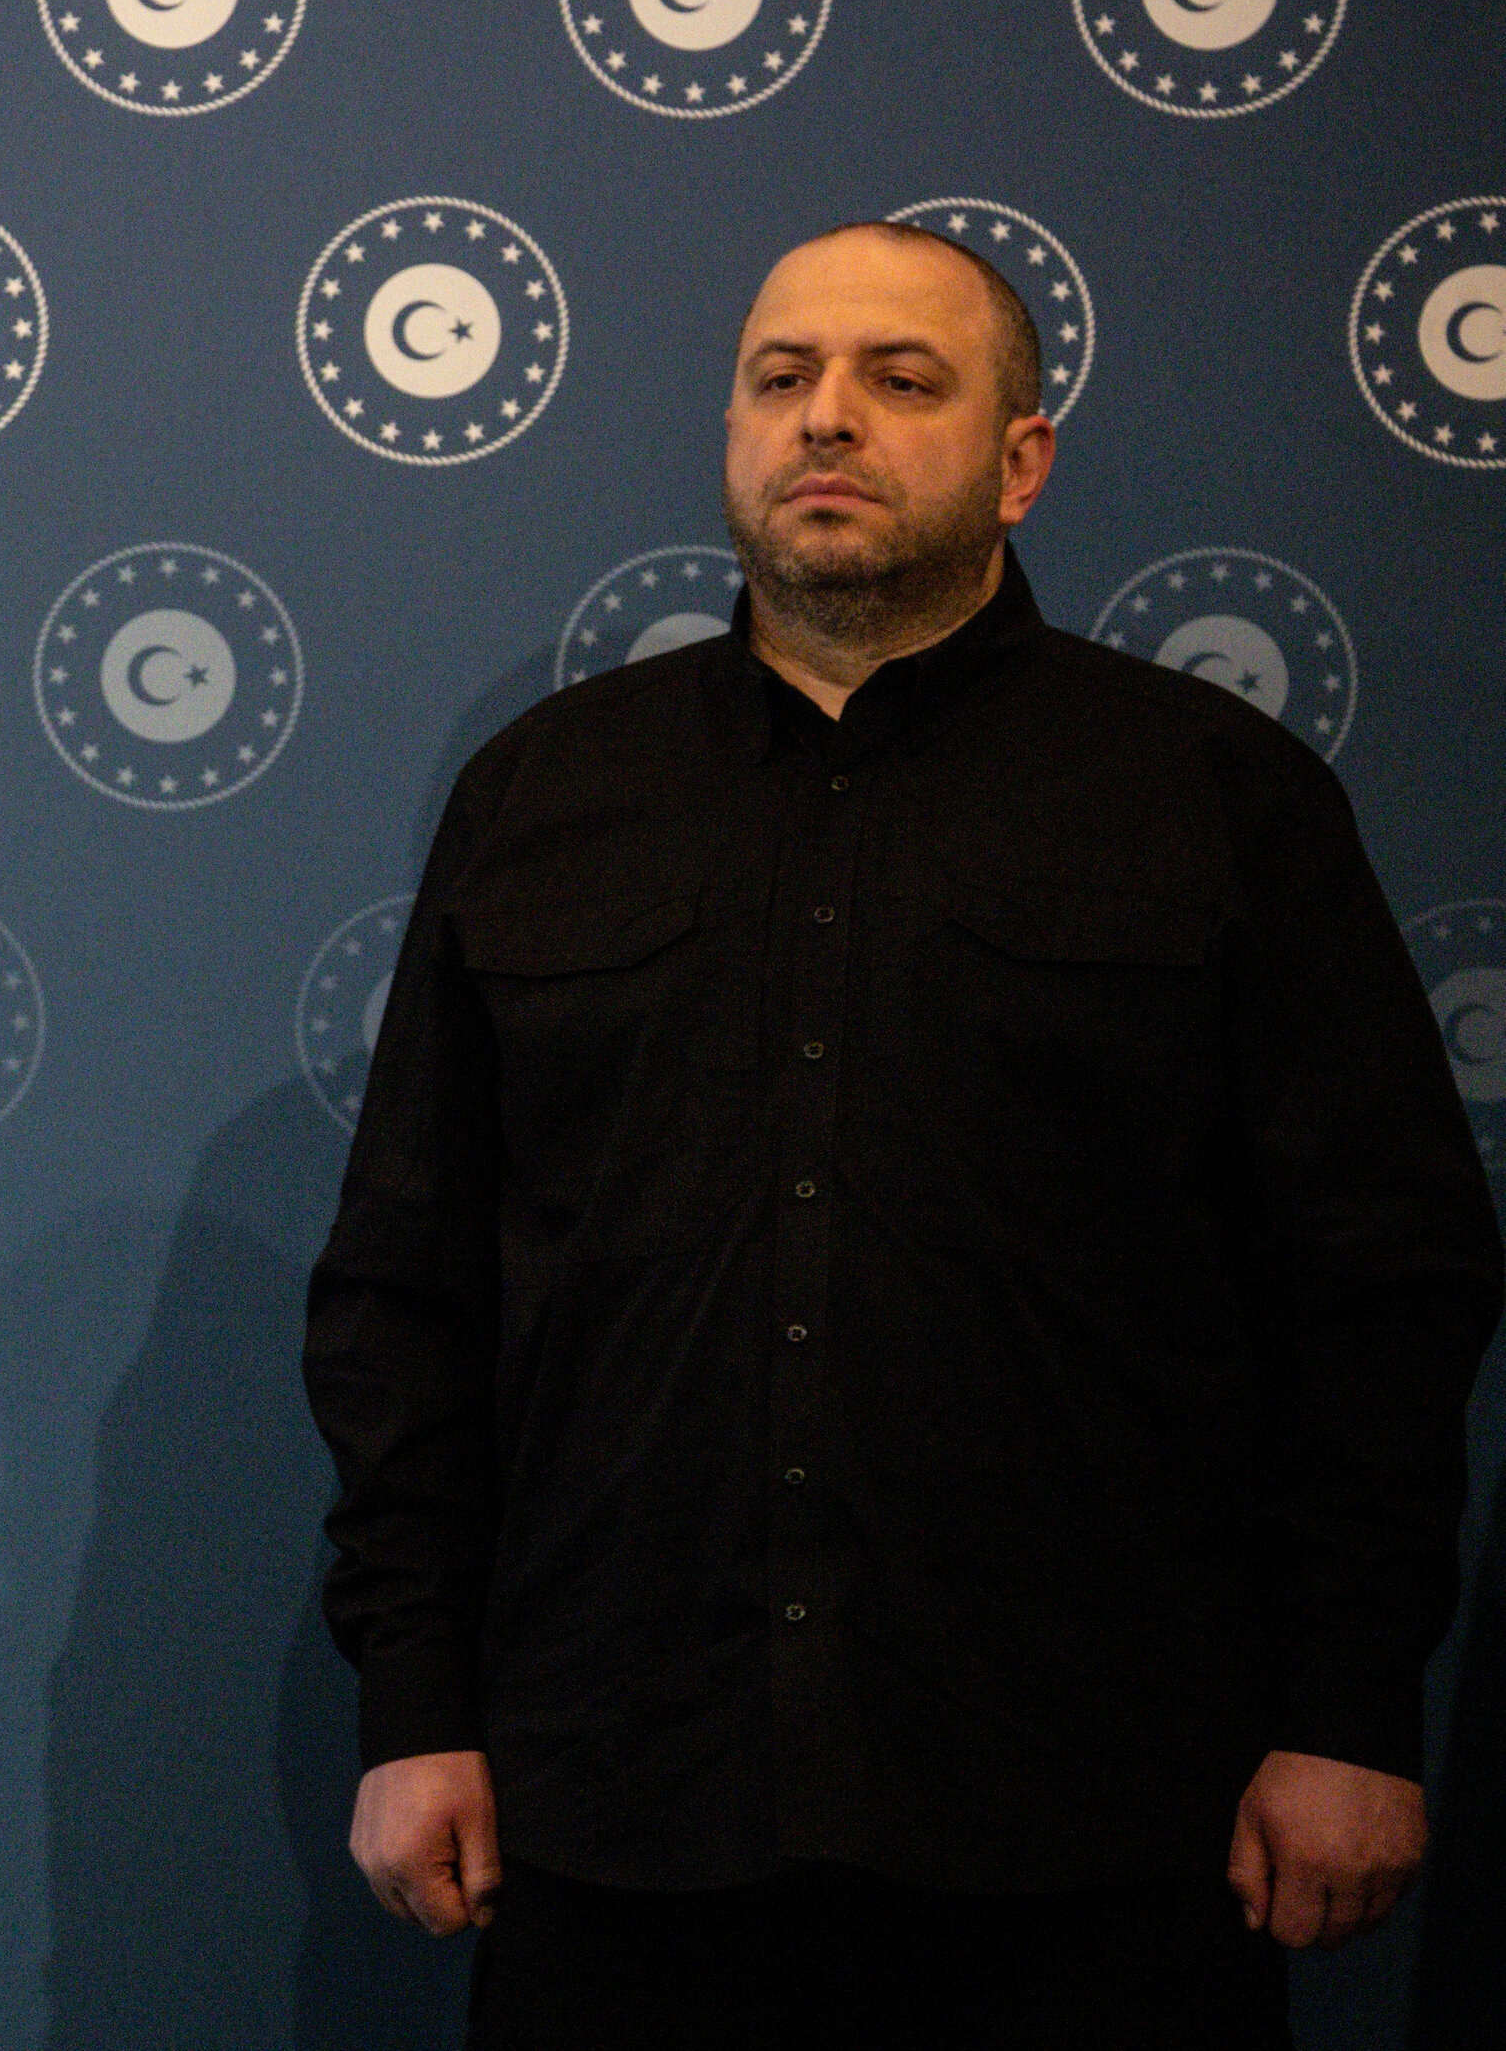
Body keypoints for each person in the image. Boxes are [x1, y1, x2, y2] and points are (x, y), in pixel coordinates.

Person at [303, 221, 1499, 2047]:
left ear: (1020, 455)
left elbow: (1381, 1290)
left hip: (1098, 1827)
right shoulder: (544, 797)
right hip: (620, 1816)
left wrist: (1346, 1707)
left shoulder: (1212, 797)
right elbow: (406, 1293)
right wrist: (413, 1701)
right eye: (779, 376)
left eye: (899, 377)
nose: (824, 419)